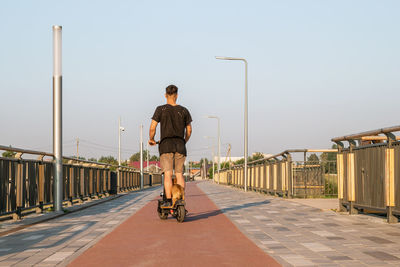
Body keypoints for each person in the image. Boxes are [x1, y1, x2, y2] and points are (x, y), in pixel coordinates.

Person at [149, 84, 192, 207]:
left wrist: (151, 139)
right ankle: (181, 200)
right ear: (177, 95)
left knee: (167, 174)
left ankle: (168, 200)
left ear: (165, 95)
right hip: (180, 145)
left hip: (166, 145)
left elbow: (153, 128)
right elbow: (189, 131)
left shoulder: (160, 109)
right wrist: (184, 141)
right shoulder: (184, 110)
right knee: (179, 174)